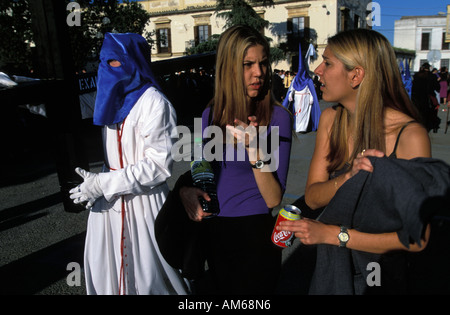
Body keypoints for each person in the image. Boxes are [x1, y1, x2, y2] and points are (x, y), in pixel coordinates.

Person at [278, 29, 441, 294]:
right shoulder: (331, 120)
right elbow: (312, 197)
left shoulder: (409, 136)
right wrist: (347, 177)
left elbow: (417, 237)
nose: (318, 69)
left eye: (328, 63)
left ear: (356, 75)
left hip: (378, 272)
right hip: (331, 267)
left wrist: (334, 235)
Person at [69, 33, 189, 295]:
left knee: (152, 279)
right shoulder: (106, 96)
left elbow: (158, 166)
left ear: (132, 60)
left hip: (143, 204)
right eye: (103, 61)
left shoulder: (155, 103)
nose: (107, 67)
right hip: (108, 204)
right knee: (106, 273)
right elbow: (61, 102)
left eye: (114, 61)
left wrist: (103, 183)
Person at [178, 25, 292, 295]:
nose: (259, 73)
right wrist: (186, 191)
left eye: (263, 63)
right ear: (229, 68)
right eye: (248, 64)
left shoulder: (278, 118)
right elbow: (205, 174)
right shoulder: (210, 115)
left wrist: (254, 149)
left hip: (255, 237)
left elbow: (274, 199)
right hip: (214, 232)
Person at [412, 62, 441, 132]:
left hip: (417, 97)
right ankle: (431, 125)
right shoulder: (432, 76)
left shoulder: (416, 75)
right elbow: (437, 87)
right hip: (428, 97)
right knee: (433, 110)